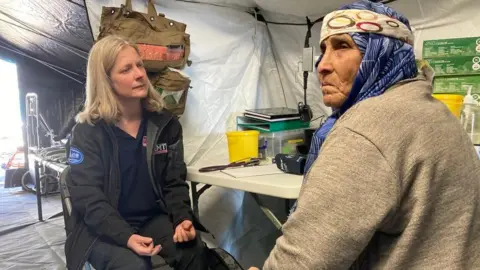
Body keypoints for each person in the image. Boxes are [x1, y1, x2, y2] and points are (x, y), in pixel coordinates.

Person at [251, 0, 480, 269]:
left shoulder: (366, 128)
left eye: (343, 47)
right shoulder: (436, 112)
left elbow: (303, 261)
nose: (321, 66)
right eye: (324, 50)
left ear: (382, 53)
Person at [64, 35, 209, 270]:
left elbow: (174, 182)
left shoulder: (165, 125)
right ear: (106, 81)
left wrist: (183, 218)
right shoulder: (88, 132)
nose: (140, 74)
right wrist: (126, 237)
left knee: (192, 250)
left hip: (152, 219)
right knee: (133, 266)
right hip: (100, 228)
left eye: (139, 65)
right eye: (126, 70)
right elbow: (87, 197)